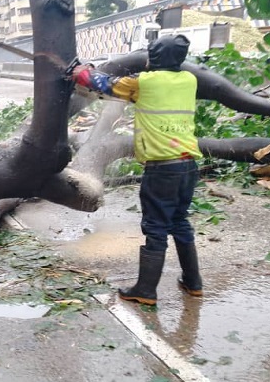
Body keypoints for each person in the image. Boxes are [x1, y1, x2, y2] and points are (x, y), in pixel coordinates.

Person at [72, 35, 203, 305]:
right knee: (180, 222)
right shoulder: (189, 81)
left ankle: (146, 290)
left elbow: (104, 84)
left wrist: (82, 72)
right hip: (188, 165)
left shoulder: (143, 83)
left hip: (162, 168)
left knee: (155, 227)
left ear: (154, 58)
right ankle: (193, 282)